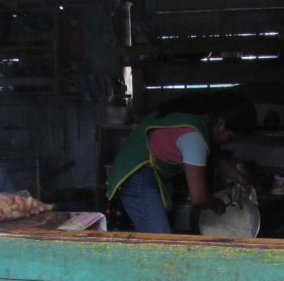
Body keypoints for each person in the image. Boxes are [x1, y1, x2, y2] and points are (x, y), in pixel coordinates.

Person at [106, 90, 256, 233]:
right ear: (220, 125)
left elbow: (215, 155)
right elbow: (198, 197)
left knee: (155, 240)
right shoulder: (194, 137)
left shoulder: (199, 121)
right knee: (161, 244)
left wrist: (239, 179)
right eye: (230, 137)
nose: (227, 142)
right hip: (138, 179)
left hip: (148, 176)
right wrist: (217, 204)